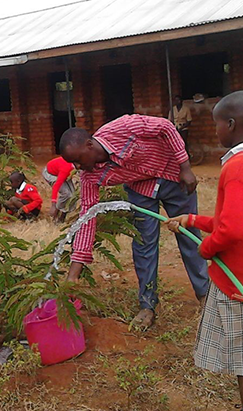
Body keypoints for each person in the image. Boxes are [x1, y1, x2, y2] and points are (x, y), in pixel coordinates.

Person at [164, 91, 243, 411]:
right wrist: (193, 219)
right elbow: (234, 219)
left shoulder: (238, 167)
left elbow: (231, 230)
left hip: (239, 277)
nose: (215, 131)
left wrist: (205, 248)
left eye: (216, 124)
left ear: (230, 124)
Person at [59, 114, 208, 330]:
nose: (77, 166)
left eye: (78, 159)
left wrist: (185, 167)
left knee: (189, 237)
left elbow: (165, 127)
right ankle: (147, 306)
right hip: (140, 191)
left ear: (89, 145)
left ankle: (205, 295)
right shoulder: (89, 176)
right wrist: (73, 274)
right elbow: (87, 217)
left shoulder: (123, 127)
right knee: (143, 244)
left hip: (175, 178)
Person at [42, 156, 76, 223]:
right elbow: (56, 186)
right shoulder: (66, 168)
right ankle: (56, 214)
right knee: (66, 193)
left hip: (62, 172)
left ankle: (63, 215)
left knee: (73, 195)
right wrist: (53, 204)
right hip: (51, 174)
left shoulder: (77, 165)